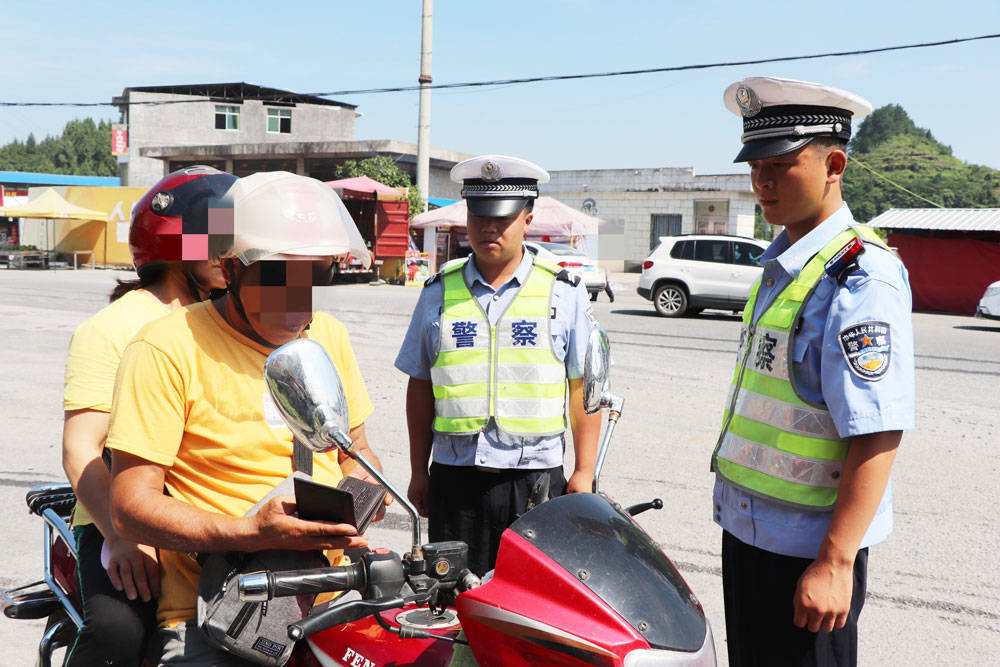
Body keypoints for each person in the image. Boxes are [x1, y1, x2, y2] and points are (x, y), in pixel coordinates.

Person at [107, 172, 385, 665]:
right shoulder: (168, 346)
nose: (296, 300)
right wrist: (250, 532)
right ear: (230, 269)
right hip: (216, 612)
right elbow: (131, 504)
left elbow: (354, 454)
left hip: (331, 597)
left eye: (314, 277)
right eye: (277, 277)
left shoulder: (329, 337)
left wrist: (363, 497)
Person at [711, 77, 915, 666]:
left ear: (834, 164)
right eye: (755, 166)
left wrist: (835, 561)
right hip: (750, 538)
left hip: (808, 554)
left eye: (782, 164)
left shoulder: (859, 277)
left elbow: (878, 428)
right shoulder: (780, 266)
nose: (763, 182)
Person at [61, 165, 237, 666]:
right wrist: (121, 536)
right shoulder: (113, 327)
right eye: (220, 240)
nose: (232, 254)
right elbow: (82, 449)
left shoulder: (231, 319)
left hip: (205, 507)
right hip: (119, 510)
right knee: (117, 630)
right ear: (178, 246)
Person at [396, 154, 603, 576]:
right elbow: (421, 385)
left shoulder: (563, 292)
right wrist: (419, 472)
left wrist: (583, 471)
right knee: (454, 599)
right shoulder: (437, 292)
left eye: (502, 217)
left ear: (528, 218)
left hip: (534, 479)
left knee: (530, 603)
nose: (489, 227)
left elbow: (582, 387)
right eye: (479, 215)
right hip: (456, 478)